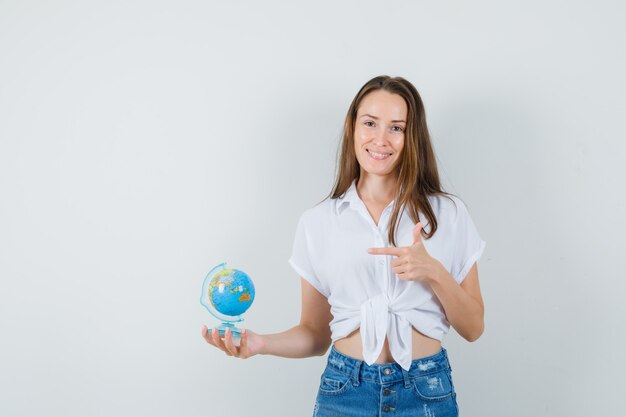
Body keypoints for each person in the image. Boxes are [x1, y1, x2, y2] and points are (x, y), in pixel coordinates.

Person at [202, 75, 486, 417]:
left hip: (426, 390)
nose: (381, 139)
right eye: (370, 123)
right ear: (352, 127)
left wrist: (434, 272)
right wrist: (261, 344)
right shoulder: (318, 222)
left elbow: (473, 328)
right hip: (345, 392)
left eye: (396, 128)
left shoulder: (447, 214)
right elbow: (315, 335)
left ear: (412, 137)